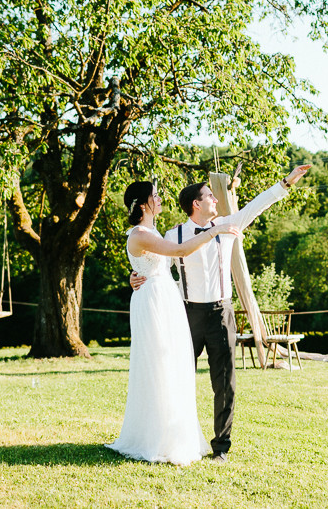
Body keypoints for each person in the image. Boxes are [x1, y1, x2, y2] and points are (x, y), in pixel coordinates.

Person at [130, 164, 311, 463]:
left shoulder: (228, 224)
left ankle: (221, 448)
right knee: (173, 377)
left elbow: (258, 204)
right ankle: (170, 439)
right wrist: (134, 277)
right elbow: (155, 265)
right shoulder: (173, 234)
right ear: (195, 204)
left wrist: (287, 182)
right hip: (185, 315)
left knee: (224, 384)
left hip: (221, 314)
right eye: (210, 196)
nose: (216, 199)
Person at [106, 181, 241, 466]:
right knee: (159, 366)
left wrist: (137, 273)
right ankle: (156, 438)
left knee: (172, 368)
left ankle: (174, 435)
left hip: (167, 299)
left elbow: (152, 265)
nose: (160, 198)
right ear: (143, 204)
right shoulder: (141, 233)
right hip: (154, 303)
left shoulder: (152, 231)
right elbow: (179, 252)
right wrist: (214, 230)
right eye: (155, 195)